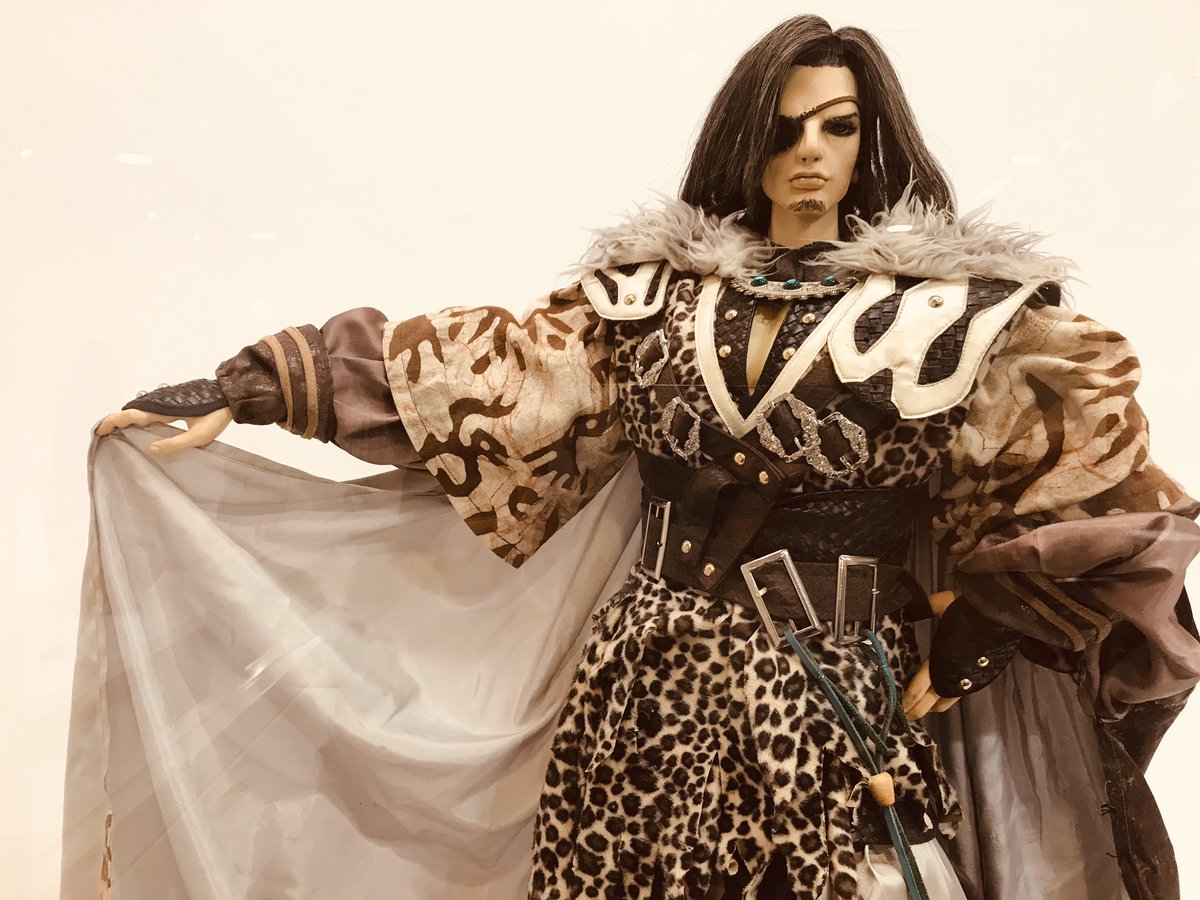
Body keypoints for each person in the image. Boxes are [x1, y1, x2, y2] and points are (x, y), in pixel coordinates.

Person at [91, 13, 1200, 900]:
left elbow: (1098, 501)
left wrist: (975, 637)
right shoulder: (649, 302)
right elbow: (490, 382)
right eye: (784, 129)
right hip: (644, 692)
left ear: (872, 141)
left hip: (836, 700)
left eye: (837, 127)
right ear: (745, 141)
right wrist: (255, 388)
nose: (809, 156)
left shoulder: (962, 321)